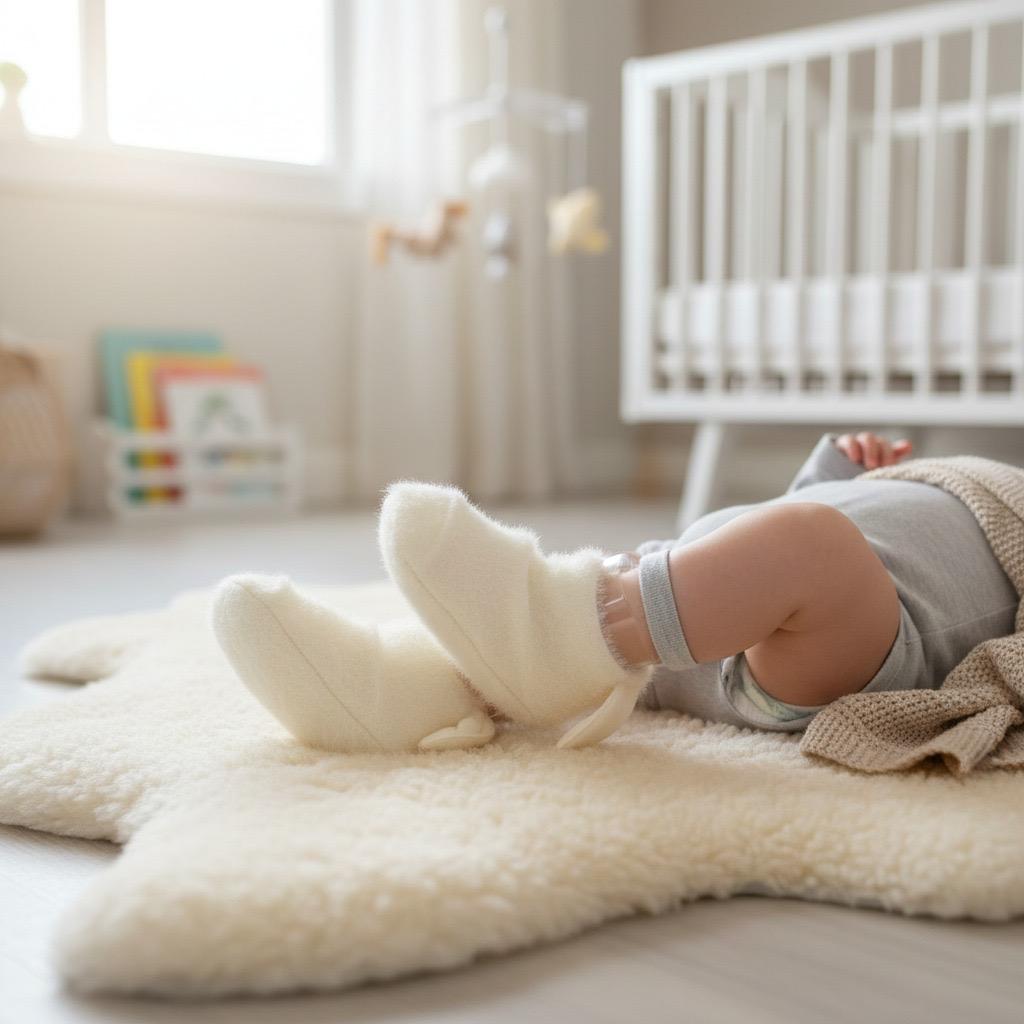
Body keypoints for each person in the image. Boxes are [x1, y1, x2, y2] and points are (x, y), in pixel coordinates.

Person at [211, 432, 1018, 754]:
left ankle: (556, 637)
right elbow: (790, 521)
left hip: (863, 649)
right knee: (782, 536)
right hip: (688, 621)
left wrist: (814, 509)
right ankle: (392, 693)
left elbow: (811, 545)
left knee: (806, 544)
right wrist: (838, 469)